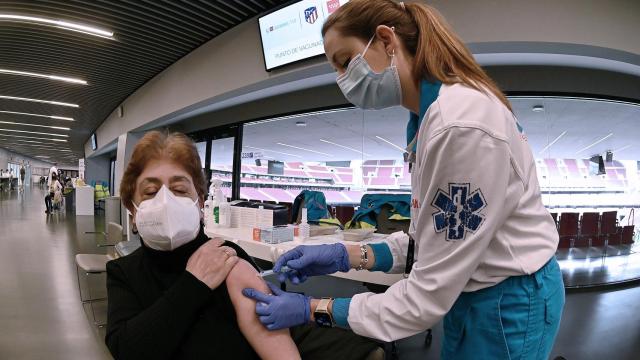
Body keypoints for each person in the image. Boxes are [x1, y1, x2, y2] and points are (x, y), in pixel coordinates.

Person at [243, 2, 565, 359]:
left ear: (384, 39)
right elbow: (423, 244)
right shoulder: (425, 121)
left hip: (508, 300)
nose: (341, 80)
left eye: (346, 61)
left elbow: (426, 295)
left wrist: (314, 309)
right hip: (473, 291)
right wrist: (344, 255)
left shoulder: (460, 125)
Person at [106, 131, 379, 360]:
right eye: (151, 192)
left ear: (200, 201)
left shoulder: (227, 257)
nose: (166, 201)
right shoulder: (122, 272)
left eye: (179, 190)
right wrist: (192, 285)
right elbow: (128, 351)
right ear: (132, 206)